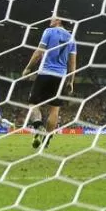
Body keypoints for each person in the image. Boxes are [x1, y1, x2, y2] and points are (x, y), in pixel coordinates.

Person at [22, 18, 77, 151]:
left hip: (45, 73)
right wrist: (71, 81)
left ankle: (38, 125)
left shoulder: (49, 31)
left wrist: (28, 68)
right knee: (54, 110)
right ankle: (47, 139)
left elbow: (39, 52)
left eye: (53, 17)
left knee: (33, 104)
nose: (50, 19)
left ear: (59, 20)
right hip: (61, 77)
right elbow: (72, 63)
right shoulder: (71, 38)